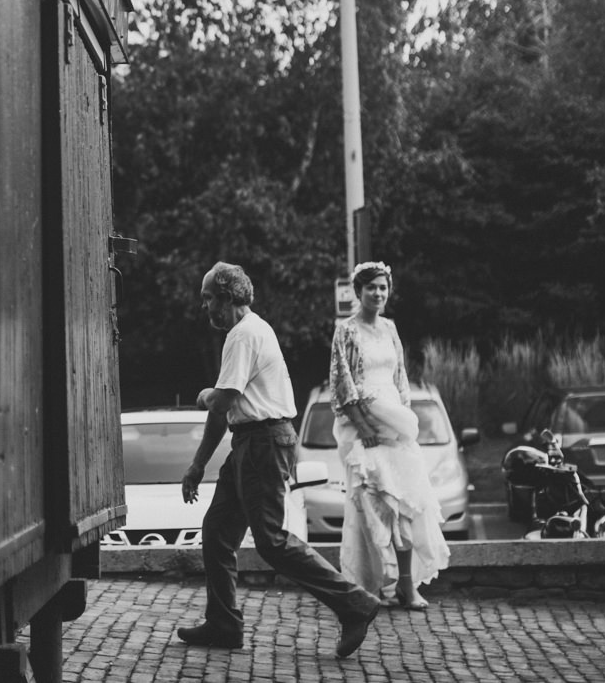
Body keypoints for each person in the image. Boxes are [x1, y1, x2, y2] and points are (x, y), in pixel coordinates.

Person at [177, 262, 381, 658]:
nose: (205, 309)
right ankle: (223, 623)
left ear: (227, 297)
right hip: (250, 443)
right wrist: (199, 463)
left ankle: (355, 604)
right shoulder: (249, 331)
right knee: (217, 531)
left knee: (270, 541)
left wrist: (204, 394)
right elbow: (226, 413)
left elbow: (221, 401)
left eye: (208, 300)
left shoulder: (243, 334)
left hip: (264, 443)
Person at [327, 261, 450, 609]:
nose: (378, 293)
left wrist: (405, 422)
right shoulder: (346, 331)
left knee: (407, 504)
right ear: (358, 291)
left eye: (383, 287)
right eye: (372, 288)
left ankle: (407, 587)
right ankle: (371, 584)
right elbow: (342, 382)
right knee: (373, 506)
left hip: (394, 424)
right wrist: (364, 428)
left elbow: (401, 379)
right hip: (362, 424)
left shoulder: (391, 329)